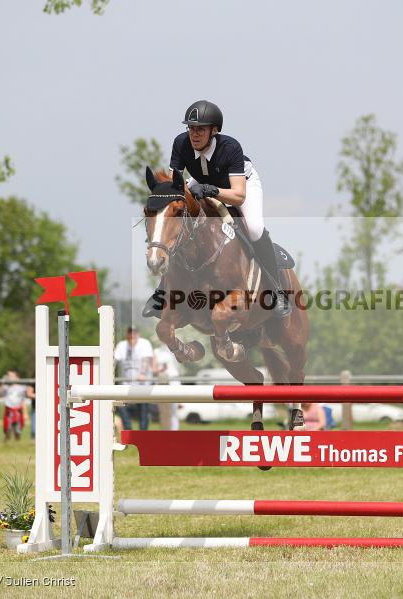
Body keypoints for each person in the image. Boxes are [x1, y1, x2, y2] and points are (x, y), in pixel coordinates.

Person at [143, 100, 291, 319]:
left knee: (255, 228)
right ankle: (162, 291)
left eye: (200, 129)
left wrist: (211, 191)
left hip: (240, 185)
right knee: (181, 226)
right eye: (191, 128)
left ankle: (276, 290)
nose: (194, 134)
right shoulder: (181, 143)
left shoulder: (230, 148)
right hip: (200, 182)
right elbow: (177, 184)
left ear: (214, 130)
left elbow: (238, 196)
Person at [113, 327, 157, 430]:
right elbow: (114, 360)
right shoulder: (122, 345)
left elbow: (146, 360)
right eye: (130, 334)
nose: (132, 336)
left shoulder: (144, 343)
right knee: (121, 406)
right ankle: (128, 430)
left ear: (138, 334)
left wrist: (142, 373)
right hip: (126, 383)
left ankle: (143, 434)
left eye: (134, 334)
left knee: (143, 410)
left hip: (142, 384)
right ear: (127, 334)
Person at [0, 370, 34, 442]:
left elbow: (23, 401)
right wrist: (2, 383)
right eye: (8, 376)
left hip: (18, 410)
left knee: (18, 429)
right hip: (9, 410)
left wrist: (25, 413)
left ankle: (17, 442)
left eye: (11, 376)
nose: (9, 378)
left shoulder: (21, 388)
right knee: (7, 428)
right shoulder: (6, 387)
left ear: (17, 378)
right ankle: (6, 442)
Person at [153, 344, 181, 430]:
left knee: (174, 410)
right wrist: (161, 370)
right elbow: (154, 370)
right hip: (162, 382)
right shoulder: (156, 351)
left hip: (174, 382)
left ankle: (174, 433)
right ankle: (165, 432)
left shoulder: (177, 347)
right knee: (164, 411)